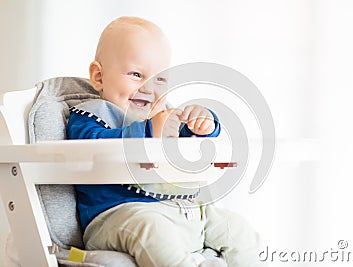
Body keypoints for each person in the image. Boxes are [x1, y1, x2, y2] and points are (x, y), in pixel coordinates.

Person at [67, 16, 263, 267]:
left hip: (183, 210)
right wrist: (149, 131)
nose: (149, 88)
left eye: (159, 79)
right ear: (99, 76)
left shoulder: (164, 115)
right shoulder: (90, 115)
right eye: (136, 74)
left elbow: (192, 147)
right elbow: (93, 149)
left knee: (238, 229)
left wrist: (202, 126)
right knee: (152, 229)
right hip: (120, 216)